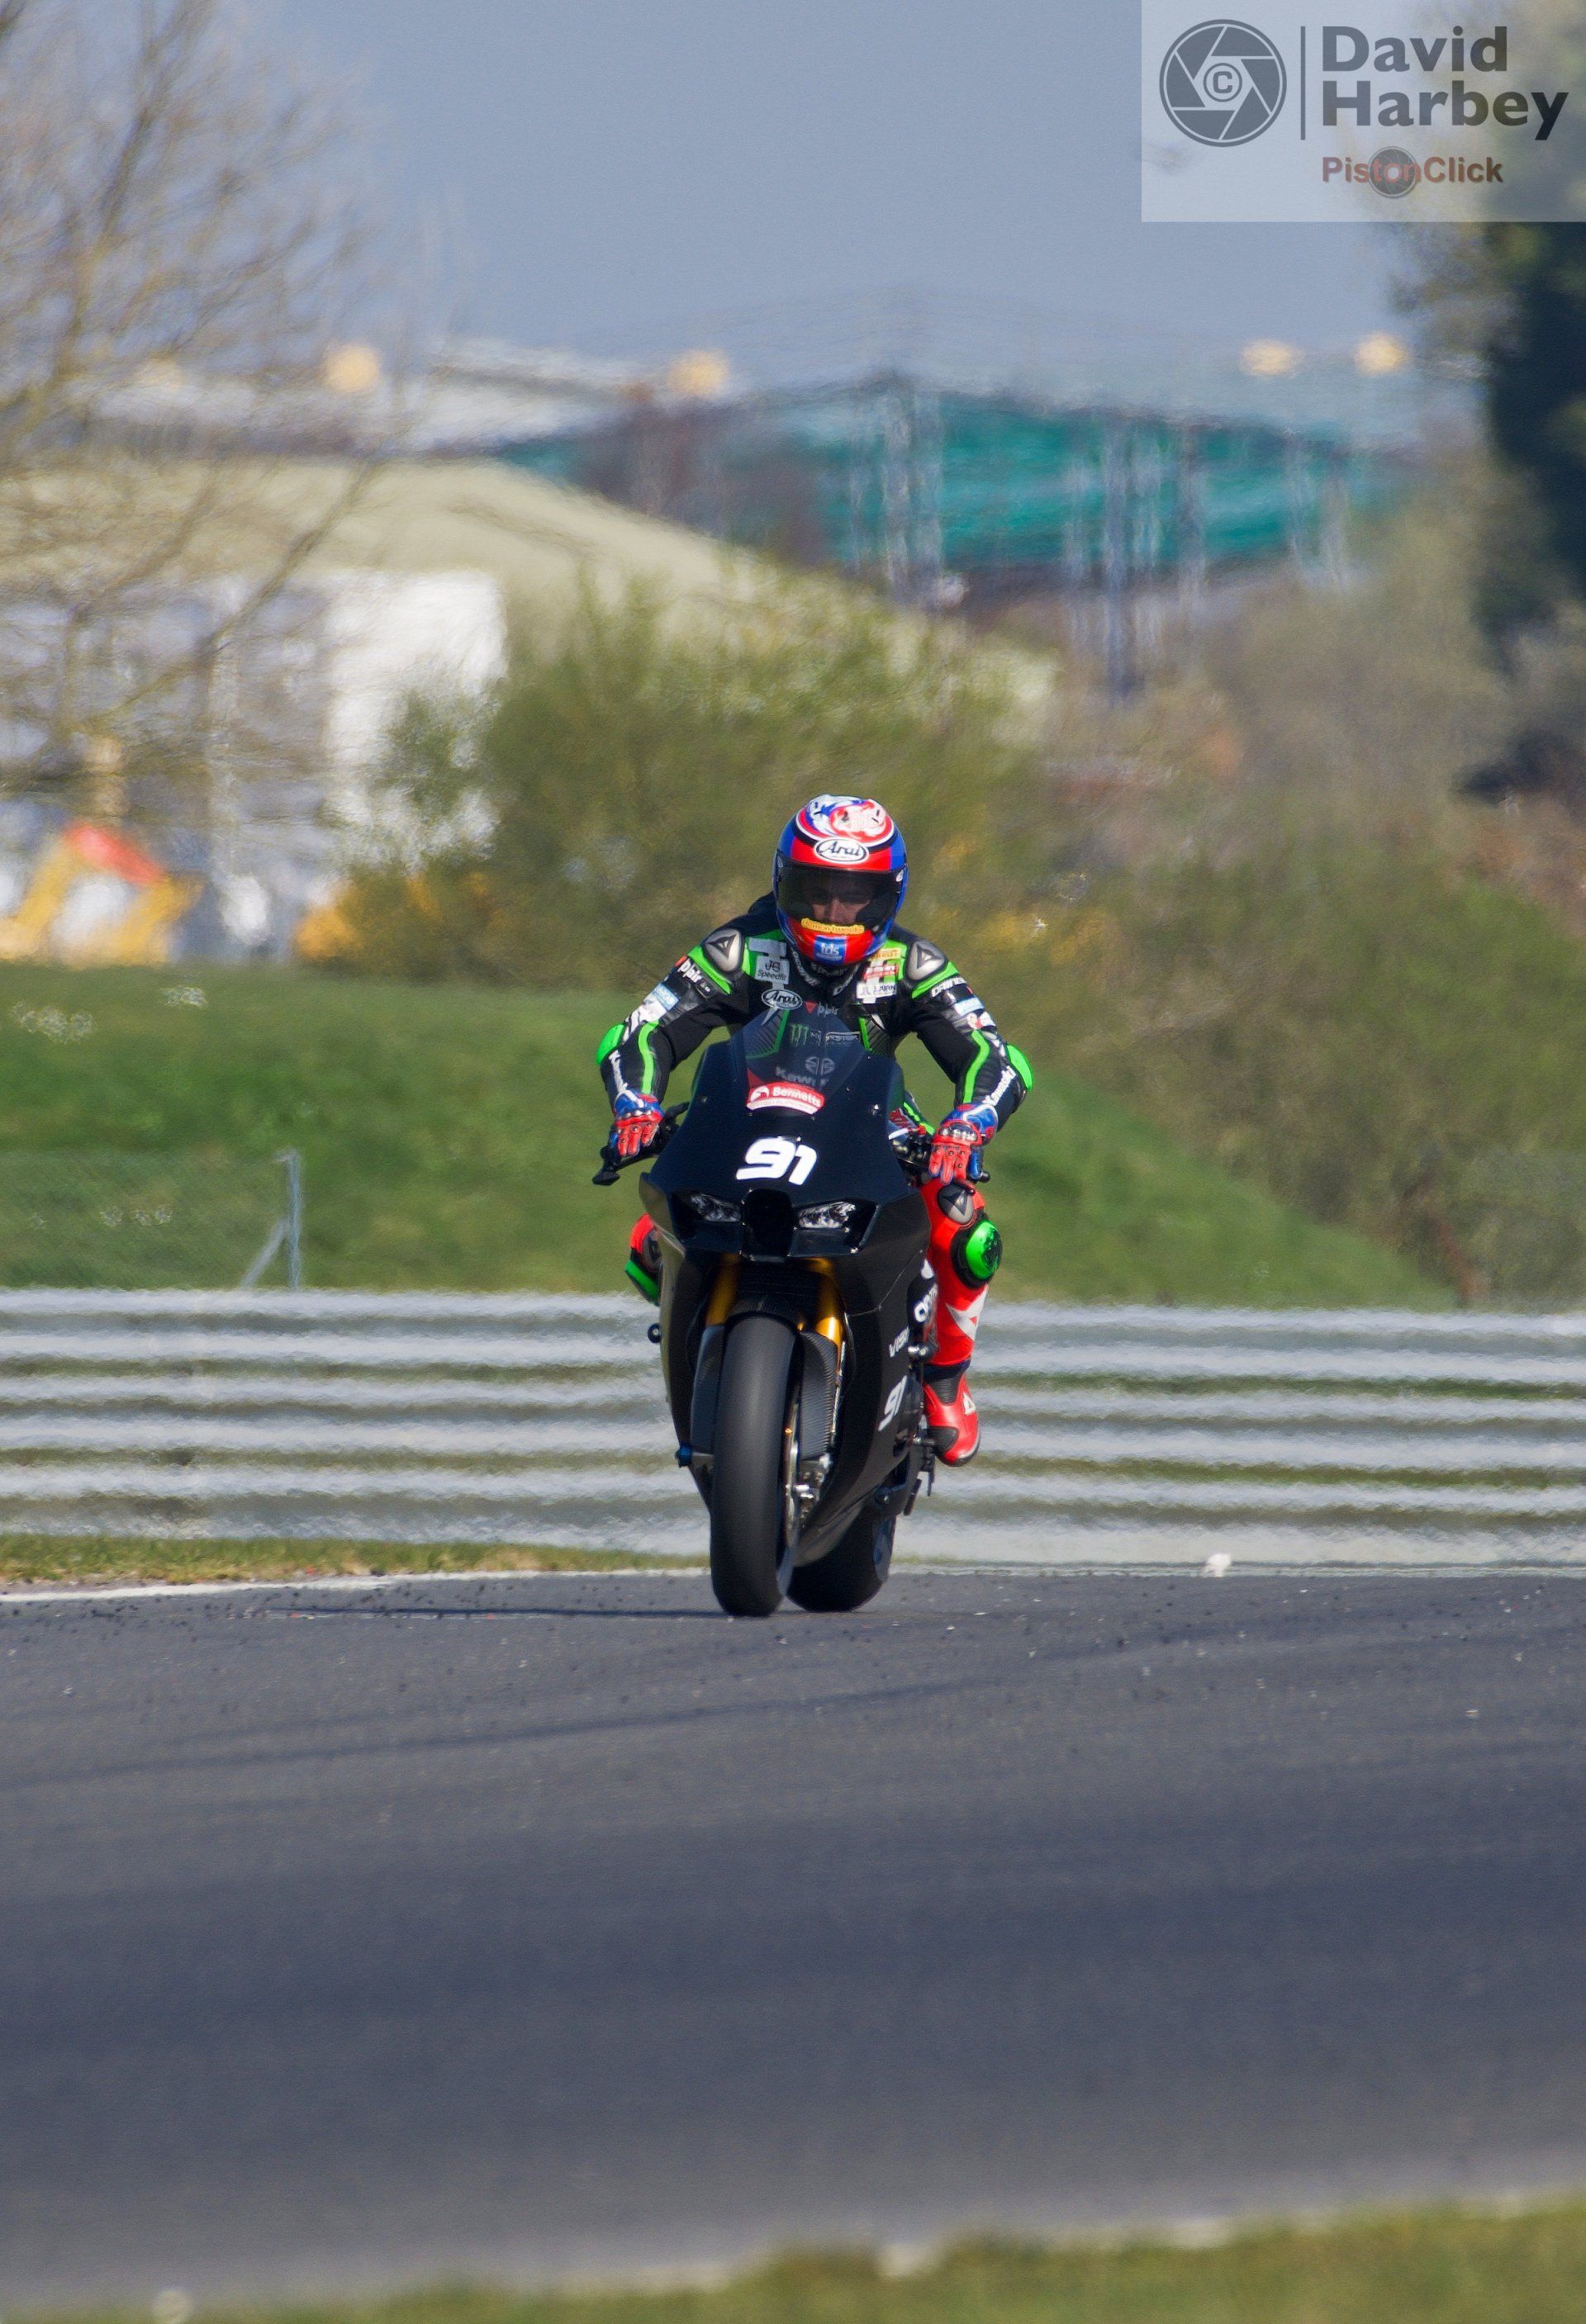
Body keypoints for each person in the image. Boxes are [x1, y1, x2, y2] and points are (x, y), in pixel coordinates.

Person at [596, 794, 1032, 1465]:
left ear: (888, 896)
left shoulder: (913, 966)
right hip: (747, 1121)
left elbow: (994, 1057)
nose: (833, 912)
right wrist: (637, 1105)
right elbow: (642, 1031)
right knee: (649, 1237)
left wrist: (966, 1125)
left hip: (874, 1129)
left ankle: (945, 1376)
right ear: (783, 882)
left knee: (966, 1232)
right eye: (816, 891)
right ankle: (709, 1362)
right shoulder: (740, 948)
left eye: (855, 897)